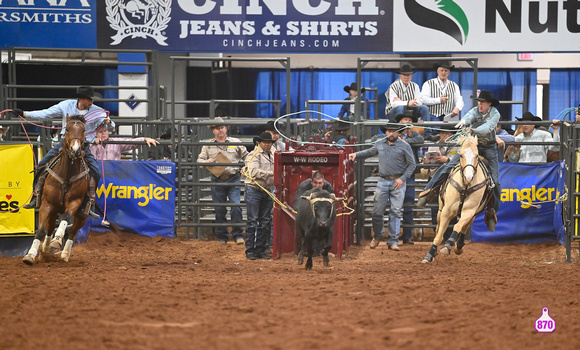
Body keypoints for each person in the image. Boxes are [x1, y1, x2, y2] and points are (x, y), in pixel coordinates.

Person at [10, 86, 113, 218]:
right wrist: (24, 114)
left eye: (92, 100)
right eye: (89, 100)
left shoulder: (98, 112)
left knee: (96, 172)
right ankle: (36, 196)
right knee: (42, 164)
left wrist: (108, 122)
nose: (91, 103)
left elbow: (111, 125)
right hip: (64, 144)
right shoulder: (66, 105)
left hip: (84, 146)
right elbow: (46, 113)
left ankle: (88, 203)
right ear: (81, 99)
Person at [416, 90, 501, 232]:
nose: (479, 105)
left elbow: (488, 128)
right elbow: (469, 116)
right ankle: (428, 192)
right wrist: (463, 121)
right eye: (479, 102)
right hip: (472, 145)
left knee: (496, 181)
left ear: (489, 103)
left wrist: (473, 130)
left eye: (482, 102)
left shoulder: (495, 114)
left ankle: (491, 212)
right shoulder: (476, 110)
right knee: (448, 166)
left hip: (489, 148)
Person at [348, 120, 416, 251]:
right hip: (383, 180)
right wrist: (356, 155)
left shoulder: (404, 145)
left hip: (398, 181)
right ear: (385, 132)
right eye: (389, 131)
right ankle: (378, 235)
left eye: (393, 131)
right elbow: (370, 152)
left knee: (395, 211)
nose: (391, 133)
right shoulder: (380, 143)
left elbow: (412, 164)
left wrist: (402, 179)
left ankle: (393, 240)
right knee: (377, 212)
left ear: (398, 132)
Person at [197, 117, 248, 245]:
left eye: (221, 127)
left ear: (225, 128)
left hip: (233, 178)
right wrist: (206, 162)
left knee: (236, 207)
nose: (220, 130)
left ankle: (237, 234)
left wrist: (246, 166)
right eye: (216, 128)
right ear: (213, 130)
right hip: (217, 179)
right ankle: (222, 236)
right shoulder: (207, 145)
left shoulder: (235, 142)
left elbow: (247, 156)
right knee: (220, 209)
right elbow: (199, 161)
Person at [392, 112, 424, 245]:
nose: (407, 122)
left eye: (409, 120)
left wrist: (405, 141)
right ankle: (394, 236)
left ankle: (407, 236)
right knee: (395, 205)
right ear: (400, 122)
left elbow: (420, 140)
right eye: (405, 119)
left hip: (408, 174)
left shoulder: (414, 134)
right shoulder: (394, 134)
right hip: (397, 173)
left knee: (409, 203)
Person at [422, 128, 459, 241]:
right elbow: (426, 164)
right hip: (436, 179)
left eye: (447, 132)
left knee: (451, 207)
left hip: (451, 180)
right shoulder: (433, 146)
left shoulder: (458, 146)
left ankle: (448, 235)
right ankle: (438, 233)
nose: (445, 135)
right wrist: (426, 162)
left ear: (452, 134)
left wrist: (447, 160)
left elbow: (460, 161)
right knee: (436, 207)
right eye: (442, 133)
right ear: (439, 134)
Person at [244, 132, 275, 260]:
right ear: (260, 143)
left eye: (269, 143)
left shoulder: (273, 155)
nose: (267, 145)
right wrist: (271, 173)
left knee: (264, 221)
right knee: (253, 221)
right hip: (254, 189)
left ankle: (260, 249)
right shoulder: (253, 155)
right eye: (265, 142)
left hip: (266, 190)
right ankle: (250, 250)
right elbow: (253, 172)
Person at [421, 62, 464, 139]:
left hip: (448, 116)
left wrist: (457, 108)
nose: (443, 72)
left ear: (449, 72)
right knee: (437, 128)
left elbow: (459, 99)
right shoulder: (428, 83)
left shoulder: (454, 85)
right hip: (432, 115)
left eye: (446, 70)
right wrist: (438, 100)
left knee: (458, 129)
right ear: (437, 71)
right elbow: (423, 100)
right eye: (442, 70)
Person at [91, 126, 159, 161]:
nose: (103, 134)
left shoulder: (116, 141)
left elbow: (131, 142)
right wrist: (92, 141)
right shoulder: (91, 143)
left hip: (114, 172)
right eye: (100, 132)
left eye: (105, 131)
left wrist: (145, 139)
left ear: (108, 132)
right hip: (97, 174)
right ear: (96, 134)